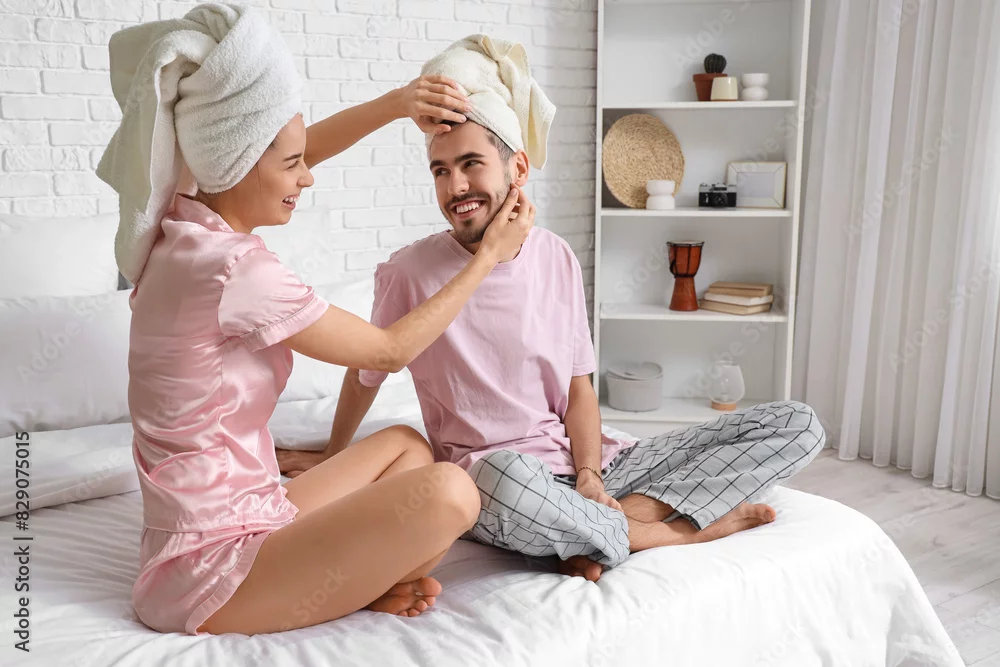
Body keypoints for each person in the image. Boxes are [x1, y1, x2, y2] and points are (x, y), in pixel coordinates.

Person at [277, 35, 826, 582]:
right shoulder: (408, 272)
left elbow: (578, 389)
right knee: (506, 481)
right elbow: (366, 375)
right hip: (496, 480)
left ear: (516, 167)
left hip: (589, 465)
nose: (455, 186)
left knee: (796, 424)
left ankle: (602, 523)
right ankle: (673, 531)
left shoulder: (556, 256)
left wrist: (589, 476)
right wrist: (333, 455)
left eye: (470, 164)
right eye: (440, 170)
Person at [96, 6, 533, 636]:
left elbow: (275, 151)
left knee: (407, 445)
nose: (306, 178)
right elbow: (387, 351)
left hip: (256, 509)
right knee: (452, 492)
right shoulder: (232, 269)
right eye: (293, 165)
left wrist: (397, 104)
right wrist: (488, 256)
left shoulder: (181, 222)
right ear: (242, 163)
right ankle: (349, 585)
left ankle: (348, 582)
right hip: (210, 569)